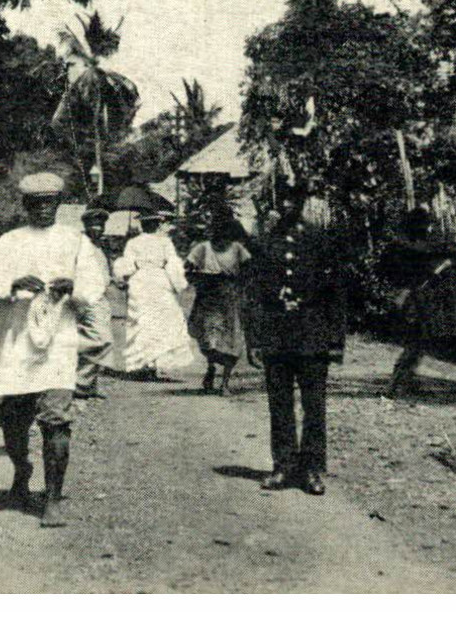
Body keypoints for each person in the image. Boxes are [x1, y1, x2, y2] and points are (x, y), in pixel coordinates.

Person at [0, 173, 107, 527]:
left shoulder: (76, 241)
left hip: (58, 342)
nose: (43, 210)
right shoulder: (9, 242)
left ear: (59, 204)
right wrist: (13, 283)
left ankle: (52, 498)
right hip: (17, 340)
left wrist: (73, 285)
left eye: (50, 203)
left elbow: (96, 284)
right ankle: (22, 470)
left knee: (56, 419)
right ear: (25, 205)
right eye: (36, 204)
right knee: (13, 421)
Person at [246, 186, 344, 496]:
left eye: (294, 199)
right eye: (283, 199)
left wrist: (336, 339)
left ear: (301, 203)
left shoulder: (320, 241)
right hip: (277, 334)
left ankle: (312, 468)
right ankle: (283, 466)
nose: (288, 204)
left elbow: (336, 292)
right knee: (280, 405)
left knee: (314, 406)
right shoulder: (266, 242)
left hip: (312, 335)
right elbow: (256, 295)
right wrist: (255, 338)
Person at [378, 207, 451, 398]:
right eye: (427, 225)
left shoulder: (399, 246)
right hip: (412, 300)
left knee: (415, 343)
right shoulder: (413, 249)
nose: (429, 229)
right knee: (415, 343)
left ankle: (403, 382)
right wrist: (440, 269)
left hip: (404, 297)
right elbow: (424, 276)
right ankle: (395, 387)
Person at [113, 210, 193, 379]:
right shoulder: (164, 242)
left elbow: (127, 265)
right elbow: (172, 266)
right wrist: (179, 284)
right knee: (162, 320)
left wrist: (123, 278)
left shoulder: (133, 243)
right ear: (157, 225)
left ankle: (146, 364)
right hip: (158, 280)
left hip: (140, 281)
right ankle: (156, 363)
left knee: (142, 320)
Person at [186, 214, 253, 395]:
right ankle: (211, 368)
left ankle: (225, 383)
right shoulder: (202, 248)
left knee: (232, 341)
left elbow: (249, 270)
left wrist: (240, 284)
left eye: (225, 233)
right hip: (208, 299)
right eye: (217, 232)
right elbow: (188, 268)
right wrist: (199, 279)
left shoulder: (238, 249)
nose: (221, 237)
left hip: (231, 299)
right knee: (209, 342)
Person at [73, 209, 115, 400]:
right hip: (83, 298)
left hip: (99, 297)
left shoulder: (101, 247)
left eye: (100, 226)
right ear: (86, 226)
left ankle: (89, 384)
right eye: (93, 225)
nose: (97, 229)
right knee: (99, 339)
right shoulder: (78, 245)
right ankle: (79, 383)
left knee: (96, 340)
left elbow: (103, 272)